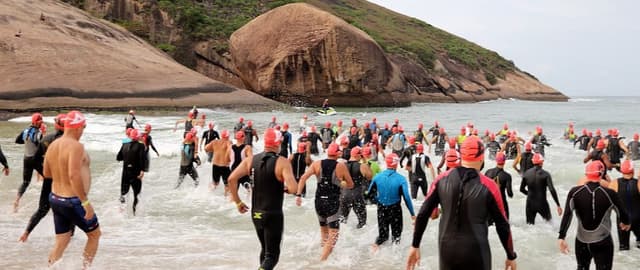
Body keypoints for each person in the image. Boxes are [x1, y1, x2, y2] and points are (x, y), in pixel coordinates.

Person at [407, 136, 517, 270]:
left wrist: (415, 245)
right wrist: (510, 256)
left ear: (461, 156)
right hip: (477, 254)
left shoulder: (441, 180)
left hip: (447, 252)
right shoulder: (490, 186)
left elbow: (423, 214)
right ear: (482, 157)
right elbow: (503, 225)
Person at [228, 128, 298, 270]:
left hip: (256, 214)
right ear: (278, 143)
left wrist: (238, 202)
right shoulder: (282, 162)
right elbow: (294, 188)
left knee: (265, 251)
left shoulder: (250, 160)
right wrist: (285, 188)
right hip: (273, 214)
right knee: (272, 256)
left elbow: (231, 179)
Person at [43, 110, 101, 268]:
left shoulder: (53, 145)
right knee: (95, 235)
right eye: (84, 127)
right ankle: (85, 268)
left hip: (55, 198)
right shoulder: (76, 146)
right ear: (77, 127)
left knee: (62, 239)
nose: (83, 131)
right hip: (73, 201)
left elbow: (46, 173)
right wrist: (85, 202)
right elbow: (73, 176)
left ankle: (50, 267)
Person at [558, 161, 630, 270]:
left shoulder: (574, 192)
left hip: (581, 242)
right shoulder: (610, 194)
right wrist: (626, 223)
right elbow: (623, 214)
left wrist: (561, 237)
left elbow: (567, 215)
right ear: (601, 174)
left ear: (586, 174)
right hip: (602, 242)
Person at [295, 143, 354, 261]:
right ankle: (322, 261)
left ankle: (323, 254)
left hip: (318, 202)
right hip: (332, 203)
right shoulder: (340, 166)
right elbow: (351, 184)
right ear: (338, 153)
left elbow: (302, 178)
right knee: (334, 235)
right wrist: (342, 183)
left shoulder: (317, 164)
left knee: (324, 232)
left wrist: (298, 195)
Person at [18, 114, 65, 242]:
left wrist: (46, 171)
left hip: (49, 179)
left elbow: (36, 158)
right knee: (68, 208)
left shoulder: (47, 139)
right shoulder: (69, 142)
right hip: (63, 181)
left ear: (56, 125)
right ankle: (67, 237)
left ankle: (26, 233)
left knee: (42, 209)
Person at [369, 153, 415, 251]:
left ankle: (374, 250)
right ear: (396, 164)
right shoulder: (401, 179)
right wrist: (412, 214)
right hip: (395, 209)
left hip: (381, 208)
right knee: (396, 237)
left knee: (383, 236)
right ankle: (394, 259)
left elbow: (369, 194)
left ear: (386, 163)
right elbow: (406, 197)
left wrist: (379, 202)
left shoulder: (377, 177)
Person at [14, 112, 45, 212]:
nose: (41, 123)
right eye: (40, 121)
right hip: (35, 159)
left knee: (25, 182)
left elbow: (17, 140)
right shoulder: (38, 133)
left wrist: (27, 141)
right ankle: (47, 201)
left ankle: (17, 201)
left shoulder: (26, 131)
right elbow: (40, 146)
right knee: (50, 178)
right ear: (36, 122)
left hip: (26, 159)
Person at [606, 160, 640, 250]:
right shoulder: (638, 183)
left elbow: (608, 203)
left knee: (624, 248)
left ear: (621, 171)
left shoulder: (613, 184)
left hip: (622, 220)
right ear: (633, 171)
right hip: (638, 219)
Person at [520, 153, 562, 224]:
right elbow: (552, 190)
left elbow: (521, 189)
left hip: (530, 203)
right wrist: (558, 205)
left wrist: (530, 194)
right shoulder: (546, 174)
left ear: (533, 162)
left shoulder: (526, 173)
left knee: (529, 227)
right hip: (542, 203)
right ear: (541, 162)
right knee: (550, 225)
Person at [116, 128, 148, 215]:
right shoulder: (140, 146)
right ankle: (134, 212)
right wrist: (142, 170)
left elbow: (118, 157)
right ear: (138, 137)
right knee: (136, 194)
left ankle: (121, 212)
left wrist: (127, 157)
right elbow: (142, 159)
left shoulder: (124, 145)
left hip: (125, 173)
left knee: (123, 193)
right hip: (135, 173)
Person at [339, 147, 372, 228]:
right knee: (362, 223)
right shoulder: (362, 166)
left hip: (344, 195)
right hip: (357, 195)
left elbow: (338, 181)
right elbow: (370, 177)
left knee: (342, 221)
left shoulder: (342, 165)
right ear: (359, 156)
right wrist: (365, 161)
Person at [484, 152, 513, 218]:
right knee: (505, 224)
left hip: (489, 203)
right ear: (504, 161)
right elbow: (510, 194)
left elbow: (483, 188)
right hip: (501, 203)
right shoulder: (507, 176)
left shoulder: (488, 172)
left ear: (496, 161)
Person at [204, 130, 232, 194]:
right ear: (227, 136)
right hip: (224, 166)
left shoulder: (214, 142)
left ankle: (208, 193)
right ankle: (226, 198)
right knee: (227, 184)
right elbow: (230, 149)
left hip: (215, 165)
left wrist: (215, 149)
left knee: (215, 183)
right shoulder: (228, 142)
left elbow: (206, 148)